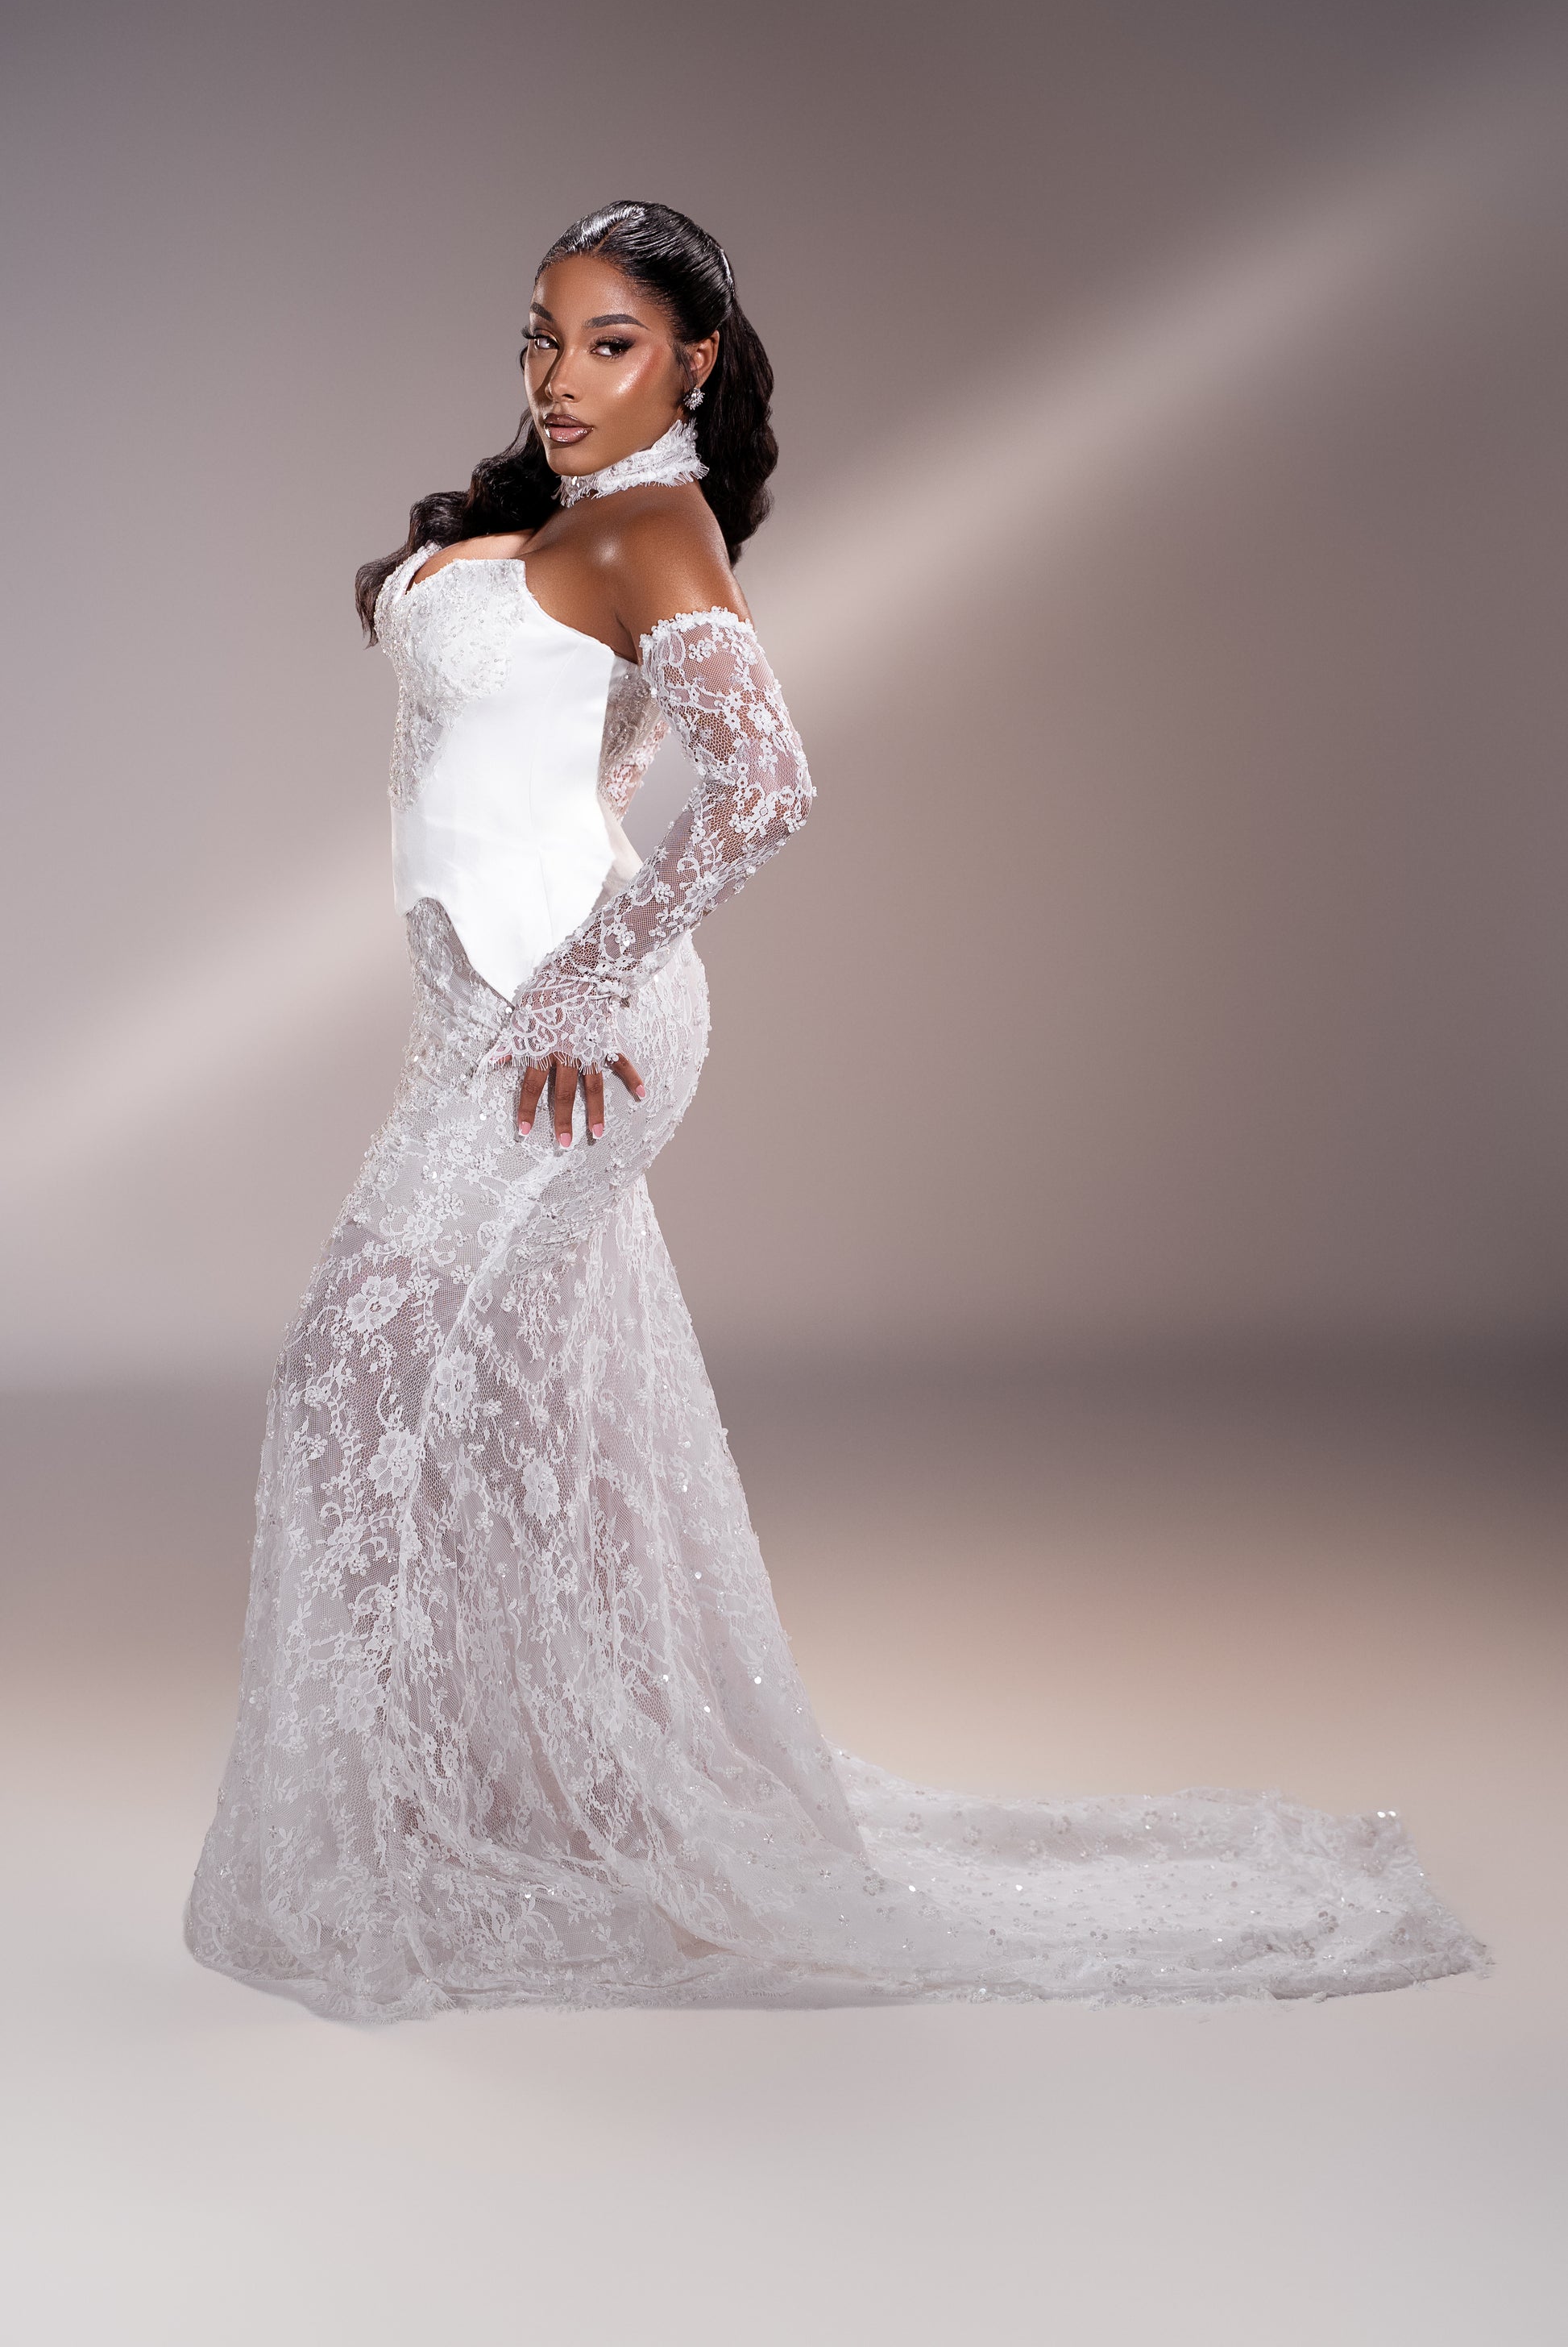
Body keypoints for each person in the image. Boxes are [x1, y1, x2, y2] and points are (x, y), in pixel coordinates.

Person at [185, 201, 1484, 2021]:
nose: (560, 376)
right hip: (481, 1007)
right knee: (493, 1407)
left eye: (609, 343)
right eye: (541, 337)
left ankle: (387, 1847)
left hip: (565, 1034)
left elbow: (767, 783)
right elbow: (572, 750)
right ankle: (498, 1804)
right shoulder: (565, 518)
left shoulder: (653, 523)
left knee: (351, 1371)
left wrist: (583, 977)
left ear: (693, 358)